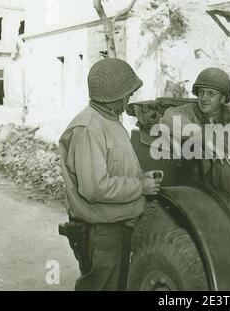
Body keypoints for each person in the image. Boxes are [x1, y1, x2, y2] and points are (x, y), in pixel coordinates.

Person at [58, 58, 162, 291]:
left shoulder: (108, 120)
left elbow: (115, 165)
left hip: (114, 224)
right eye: (127, 94)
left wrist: (142, 176)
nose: (129, 99)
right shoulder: (88, 129)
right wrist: (140, 188)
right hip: (101, 230)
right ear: (113, 96)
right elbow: (94, 187)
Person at [159, 67, 230, 243]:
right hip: (201, 182)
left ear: (223, 98)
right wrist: (203, 136)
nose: (204, 98)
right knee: (226, 169)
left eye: (211, 93)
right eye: (201, 92)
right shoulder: (188, 111)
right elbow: (167, 119)